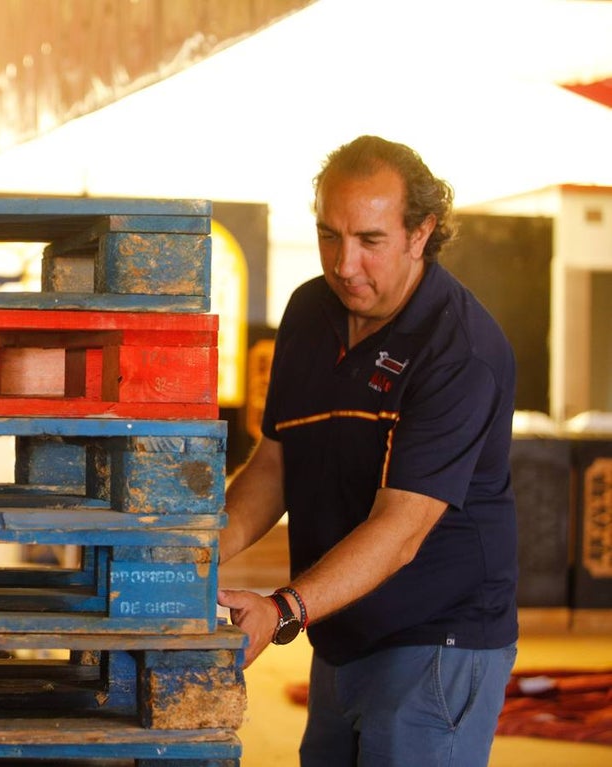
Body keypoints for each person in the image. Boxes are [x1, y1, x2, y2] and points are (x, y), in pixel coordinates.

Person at [217, 135, 518, 766]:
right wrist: (196, 551)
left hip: (438, 639)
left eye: (370, 241)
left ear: (420, 233)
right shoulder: (307, 312)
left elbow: (401, 530)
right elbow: (276, 463)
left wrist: (283, 610)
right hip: (343, 629)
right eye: (329, 234)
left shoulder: (459, 349)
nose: (344, 263)